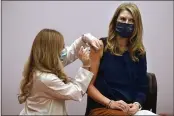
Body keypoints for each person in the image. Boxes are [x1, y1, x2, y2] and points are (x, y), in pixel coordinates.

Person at [85, 3, 157, 116]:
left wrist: (137, 104)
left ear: (136, 25)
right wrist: (110, 103)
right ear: (115, 21)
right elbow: (88, 86)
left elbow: (142, 87)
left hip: (129, 110)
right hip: (103, 108)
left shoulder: (139, 52)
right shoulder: (100, 46)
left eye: (131, 20)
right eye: (123, 19)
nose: (126, 23)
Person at [18, 28, 102, 115]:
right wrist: (85, 65)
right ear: (52, 52)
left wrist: (85, 38)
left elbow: (71, 52)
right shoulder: (45, 78)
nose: (64, 50)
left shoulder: (42, 65)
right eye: (61, 47)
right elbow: (76, 92)